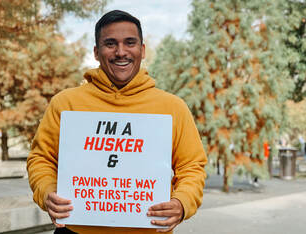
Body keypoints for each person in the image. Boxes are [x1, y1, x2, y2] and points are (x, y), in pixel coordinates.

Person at [27, 10, 207, 234]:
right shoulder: (65, 104)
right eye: (110, 43)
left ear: (142, 50)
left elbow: (191, 167)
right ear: (96, 51)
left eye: (130, 42)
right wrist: (47, 191)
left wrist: (182, 202)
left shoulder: (173, 108)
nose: (121, 52)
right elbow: (42, 159)